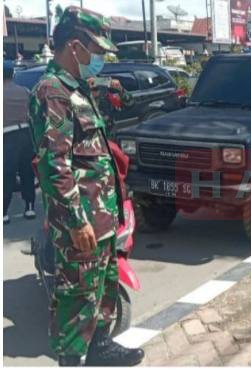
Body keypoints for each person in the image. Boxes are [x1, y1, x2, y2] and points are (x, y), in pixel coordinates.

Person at [28, 6, 144, 367]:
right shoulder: (52, 93)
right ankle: (72, 360)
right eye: (96, 51)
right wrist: (76, 221)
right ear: (75, 46)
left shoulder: (75, 88)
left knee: (102, 292)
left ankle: (100, 348)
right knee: (77, 300)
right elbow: (55, 165)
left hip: (102, 220)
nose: (99, 59)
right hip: (83, 223)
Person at [4, 61, 36, 224]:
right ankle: (29, 207)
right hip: (25, 134)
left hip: (7, 136)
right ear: (13, 74)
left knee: (7, 175)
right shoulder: (25, 91)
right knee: (26, 173)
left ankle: (4, 212)